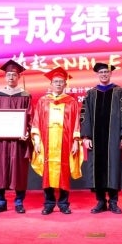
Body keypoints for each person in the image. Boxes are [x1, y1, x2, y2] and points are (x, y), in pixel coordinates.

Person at [31, 67, 83, 215]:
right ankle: (48, 203)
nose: (58, 84)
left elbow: (76, 123)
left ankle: (64, 203)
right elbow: (36, 122)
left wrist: (75, 141)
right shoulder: (43, 101)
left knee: (64, 171)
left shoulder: (71, 102)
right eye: (56, 82)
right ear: (51, 84)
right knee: (48, 172)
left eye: (61, 82)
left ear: (65, 84)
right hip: (46, 142)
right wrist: (36, 140)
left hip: (65, 142)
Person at [80, 62, 122, 214]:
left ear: (110, 74)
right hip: (95, 139)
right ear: (97, 74)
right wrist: (86, 136)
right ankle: (101, 201)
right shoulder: (91, 93)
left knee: (113, 168)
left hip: (113, 137)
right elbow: (85, 115)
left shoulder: (119, 92)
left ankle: (114, 202)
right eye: (101, 72)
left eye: (106, 72)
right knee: (96, 169)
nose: (104, 74)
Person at [0, 59, 32, 214]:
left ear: (19, 77)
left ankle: (19, 202)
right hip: (0, 140)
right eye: (9, 75)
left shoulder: (25, 95)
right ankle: (1, 202)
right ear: (5, 77)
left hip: (18, 141)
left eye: (14, 74)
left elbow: (29, 116)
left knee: (18, 170)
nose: (11, 77)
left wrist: (26, 131)